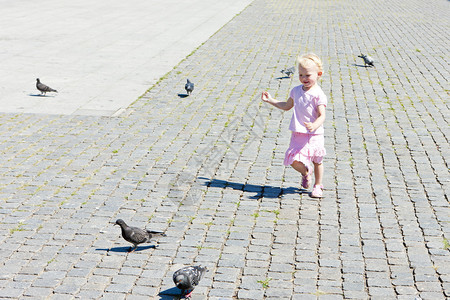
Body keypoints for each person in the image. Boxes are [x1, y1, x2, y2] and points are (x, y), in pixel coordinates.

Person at [261, 53, 327, 198]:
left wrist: (314, 125)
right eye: (301, 75)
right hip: (299, 133)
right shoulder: (296, 91)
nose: (304, 78)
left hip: (315, 133)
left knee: (317, 160)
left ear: (318, 74)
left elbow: (322, 115)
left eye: (308, 75)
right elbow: (286, 106)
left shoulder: (318, 94)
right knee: (293, 159)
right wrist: (270, 100)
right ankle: (305, 172)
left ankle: (317, 185)